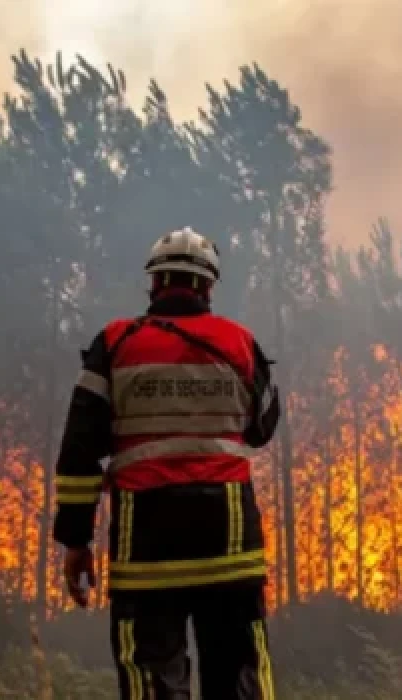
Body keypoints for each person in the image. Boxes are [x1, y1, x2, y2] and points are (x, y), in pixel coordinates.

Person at [51, 227, 281, 699]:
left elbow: (79, 449)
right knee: (239, 671)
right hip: (230, 541)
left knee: (151, 675)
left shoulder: (114, 345)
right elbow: (263, 427)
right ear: (209, 286)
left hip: (147, 543)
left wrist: (76, 539)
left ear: (153, 284)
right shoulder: (240, 343)